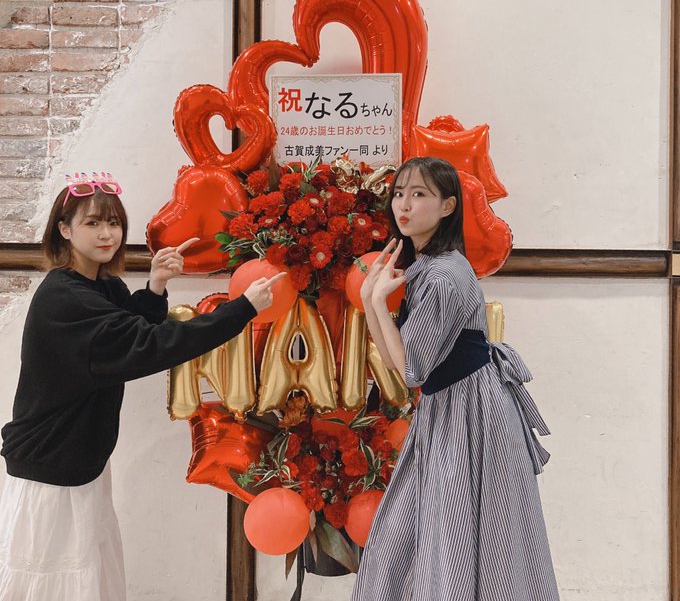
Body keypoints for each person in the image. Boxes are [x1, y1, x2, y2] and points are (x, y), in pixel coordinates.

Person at [0, 173, 284, 601]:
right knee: (54, 583)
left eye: (114, 223)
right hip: (50, 472)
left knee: (87, 577)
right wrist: (241, 309)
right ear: (64, 229)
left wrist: (155, 285)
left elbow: (128, 326)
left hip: (80, 464)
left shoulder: (100, 284)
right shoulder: (63, 300)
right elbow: (148, 345)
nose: (107, 234)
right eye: (93, 223)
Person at [352, 157, 560, 600]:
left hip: (469, 415)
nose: (403, 205)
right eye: (399, 193)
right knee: (440, 536)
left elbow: (412, 371)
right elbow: (396, 362)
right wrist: (371, 301)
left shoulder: (442, 276)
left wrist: (377, 302)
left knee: (457, 539)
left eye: (419, 194)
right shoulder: (429, 267)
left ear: (447, 206)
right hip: (456, 408)